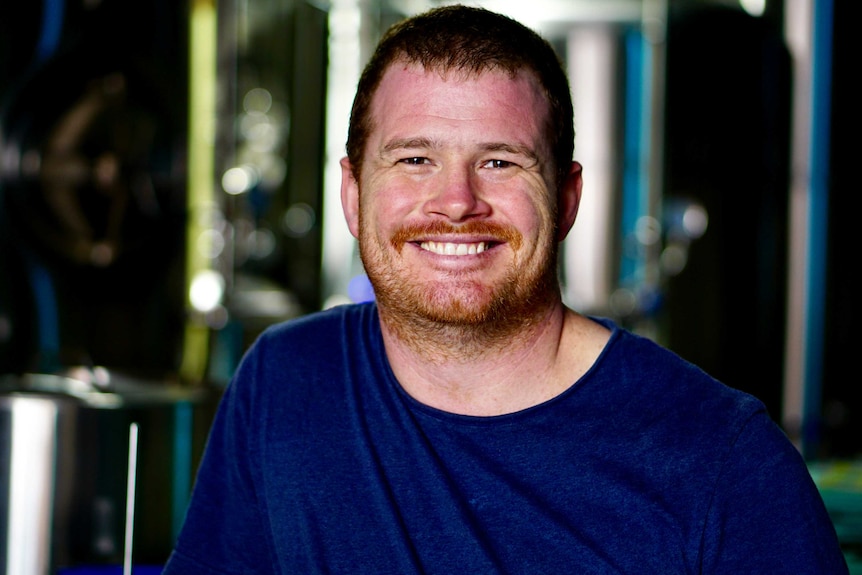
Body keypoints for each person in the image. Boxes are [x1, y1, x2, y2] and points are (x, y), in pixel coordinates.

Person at [163, 5, 848, 573]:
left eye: (499, 161)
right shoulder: (285, 383)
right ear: (351, 190)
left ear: (568, 195)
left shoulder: (727, 465)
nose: (456, 201)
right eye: (415, 158)